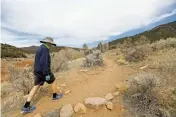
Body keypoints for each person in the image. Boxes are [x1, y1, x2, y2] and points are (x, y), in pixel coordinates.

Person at [21, 37, 63, 113]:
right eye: (51, 44)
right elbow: (44, 63)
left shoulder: (40, 48)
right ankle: (55, 96)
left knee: (36, 86)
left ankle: (26, 106)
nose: (51, 45)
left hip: (38, 71)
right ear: (49, 43)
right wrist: (47, 74)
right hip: (43, 72)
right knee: (53, 80)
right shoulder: (45, 49)